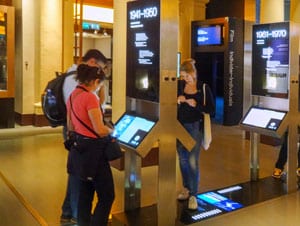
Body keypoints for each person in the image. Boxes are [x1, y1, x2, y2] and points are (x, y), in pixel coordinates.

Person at [60, 49, 108, 224]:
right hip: (88, 142)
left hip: (76, 138)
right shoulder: (87, 94)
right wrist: (112, 132)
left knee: (78, 175)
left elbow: (71, 118)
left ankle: (70, 212)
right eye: (100, 70)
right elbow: (99, 126)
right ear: (93, 63)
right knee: (84, 181)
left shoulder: (72, 85)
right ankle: (74, 215)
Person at [66, 64, 114, 226]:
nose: (100, 87)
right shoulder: (90, 98)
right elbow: (99, 130)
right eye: (100, 84)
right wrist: (113, 131)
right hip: (94, 153)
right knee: (107, 195)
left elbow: (70, 125)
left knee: (85, 193)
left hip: (79, 150)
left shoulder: (73, 95)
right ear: (95, 81)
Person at [176, 58, 215, 210]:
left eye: (187, 76)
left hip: (195, 127)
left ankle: (193, 194)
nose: (185, 79)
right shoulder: (179, 86)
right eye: (183, 76)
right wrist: (179, 100)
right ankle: (186, 188)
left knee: (192, 160)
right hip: (179, 126)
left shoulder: (203, 87)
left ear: (193, 73)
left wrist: (196, 105)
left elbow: (211, 110)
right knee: (182, 159)